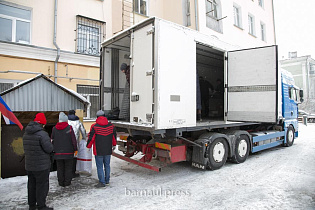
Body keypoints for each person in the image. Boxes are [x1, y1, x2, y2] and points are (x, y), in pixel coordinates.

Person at [23, 113, 54, 210]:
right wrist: (51, 143)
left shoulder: (26, 133)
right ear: (42, 124)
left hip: (30, 165)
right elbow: (49, 149)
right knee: (42, 186)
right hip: (41, 166)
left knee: (31, 185)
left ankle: (32, 205)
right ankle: (41, 206)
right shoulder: (42, 134)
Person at [87, 110, 117, 188]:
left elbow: (91, 138)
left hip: (98, 150)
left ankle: (102, 182)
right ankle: (107, 180)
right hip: (108, 149)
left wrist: (88, 146)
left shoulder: (94, 126)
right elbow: (114, 137)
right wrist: (114, 145)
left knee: (99, 166)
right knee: (107, 165)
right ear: (105, 116)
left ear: (97, 117)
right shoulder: (111, 126)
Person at [51, 112, 77, 187]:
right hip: (68, 153)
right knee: (68, 168)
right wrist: (75, 149)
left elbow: (52, 139)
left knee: (60, 168)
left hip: (58, 153)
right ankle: (67, 182)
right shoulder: (69, 128)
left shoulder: (54, 129)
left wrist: (53, 149)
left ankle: (61, 182)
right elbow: (73, 140)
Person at [68, 109, 87, 178]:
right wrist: (84, 138)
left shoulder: (66, 121)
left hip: (67, 141)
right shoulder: (78, 121)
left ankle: (68, 172)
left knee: (68, 156)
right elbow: (83, 131)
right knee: (74, 156)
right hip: (76, 142)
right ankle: (73, 172)